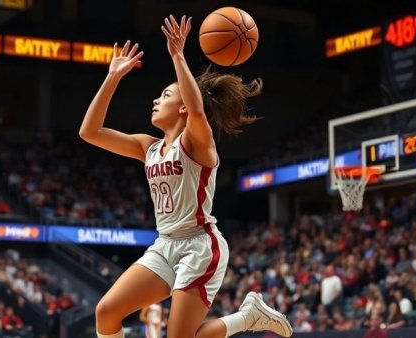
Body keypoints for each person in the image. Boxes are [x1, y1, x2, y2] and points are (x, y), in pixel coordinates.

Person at [80, 14, 292, 338]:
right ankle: (248, 314)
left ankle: (246, 318)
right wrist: (111, 77)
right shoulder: (147, 147)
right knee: (106, 311)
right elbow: (89, 132)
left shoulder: (197, 143)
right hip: (165, 245)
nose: (155, 99)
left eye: (165, 95)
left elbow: (196, 110)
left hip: (200, 246)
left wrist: (178, 55)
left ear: (181, 108)